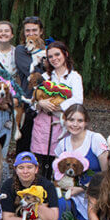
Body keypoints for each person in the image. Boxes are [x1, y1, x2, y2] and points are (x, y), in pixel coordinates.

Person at [52, 104, 108, 220]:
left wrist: (83, 188)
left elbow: (107, 173)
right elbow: (57, 173)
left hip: (94, 193)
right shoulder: (62, 144)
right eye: (71, 120)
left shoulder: (95, 139)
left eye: (79, 120)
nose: (75, 124)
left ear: (86, 122)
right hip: (70, 194)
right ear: (65, 121)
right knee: (60, 202)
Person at [32, 41, 84, 179]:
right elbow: (33, 101)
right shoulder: (45, 77)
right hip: (42, 126)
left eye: (57, 55)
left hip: (63, 125)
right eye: (50, 57)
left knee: (59, 164)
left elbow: (78, 100)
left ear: (65, 54)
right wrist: (40, 103)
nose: (54, 59)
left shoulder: (74, 77)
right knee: (41, 165)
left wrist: (58, 104)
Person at [13, 16, 50, 153]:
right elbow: (32, 72)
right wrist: (46, 66)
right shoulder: (21, 50)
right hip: (28, 101)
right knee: (24, 144)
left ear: (40, 32)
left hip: (47, 100)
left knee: (44, 144)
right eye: (27, 30)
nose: (31, 33)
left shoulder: (48, 50)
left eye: (34, 30)